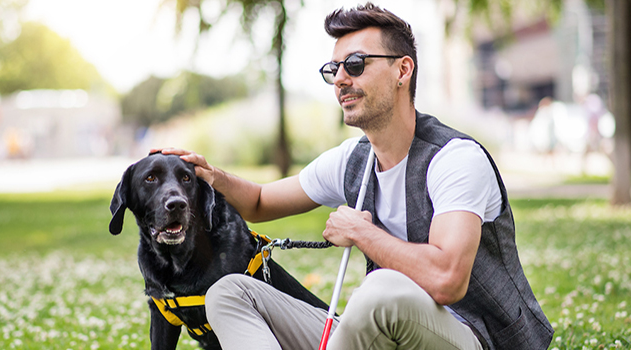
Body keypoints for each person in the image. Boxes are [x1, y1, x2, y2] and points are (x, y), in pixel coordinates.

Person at [159, 3, 553, 349]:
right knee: (229, 292)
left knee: (380, 288)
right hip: (384, 331)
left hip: (474, 337)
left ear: (403, 70)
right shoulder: (353, 159)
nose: (341, 79)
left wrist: (362, 233)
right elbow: (260, 203)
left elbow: (447, 278)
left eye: (356, 65)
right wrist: (214, 176)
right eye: (334, 69)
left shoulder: (454, 159)